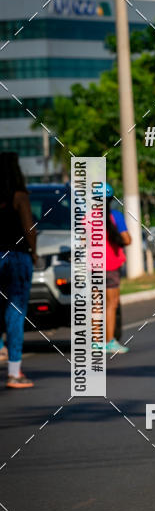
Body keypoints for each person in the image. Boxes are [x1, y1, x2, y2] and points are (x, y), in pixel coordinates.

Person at [0, 151, 36, 388]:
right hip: (16, 257)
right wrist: (34, 251)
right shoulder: (20, 197)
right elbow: (29, 230)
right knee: (15, 313)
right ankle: (14, 373)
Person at [102, 183, 130, 354]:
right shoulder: (116, 217)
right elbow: (127, 240)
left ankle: (96, 342)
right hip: (111, 267)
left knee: (96, 305)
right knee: (111, 304)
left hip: (92, 267)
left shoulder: (87, 218)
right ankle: (109, 341)